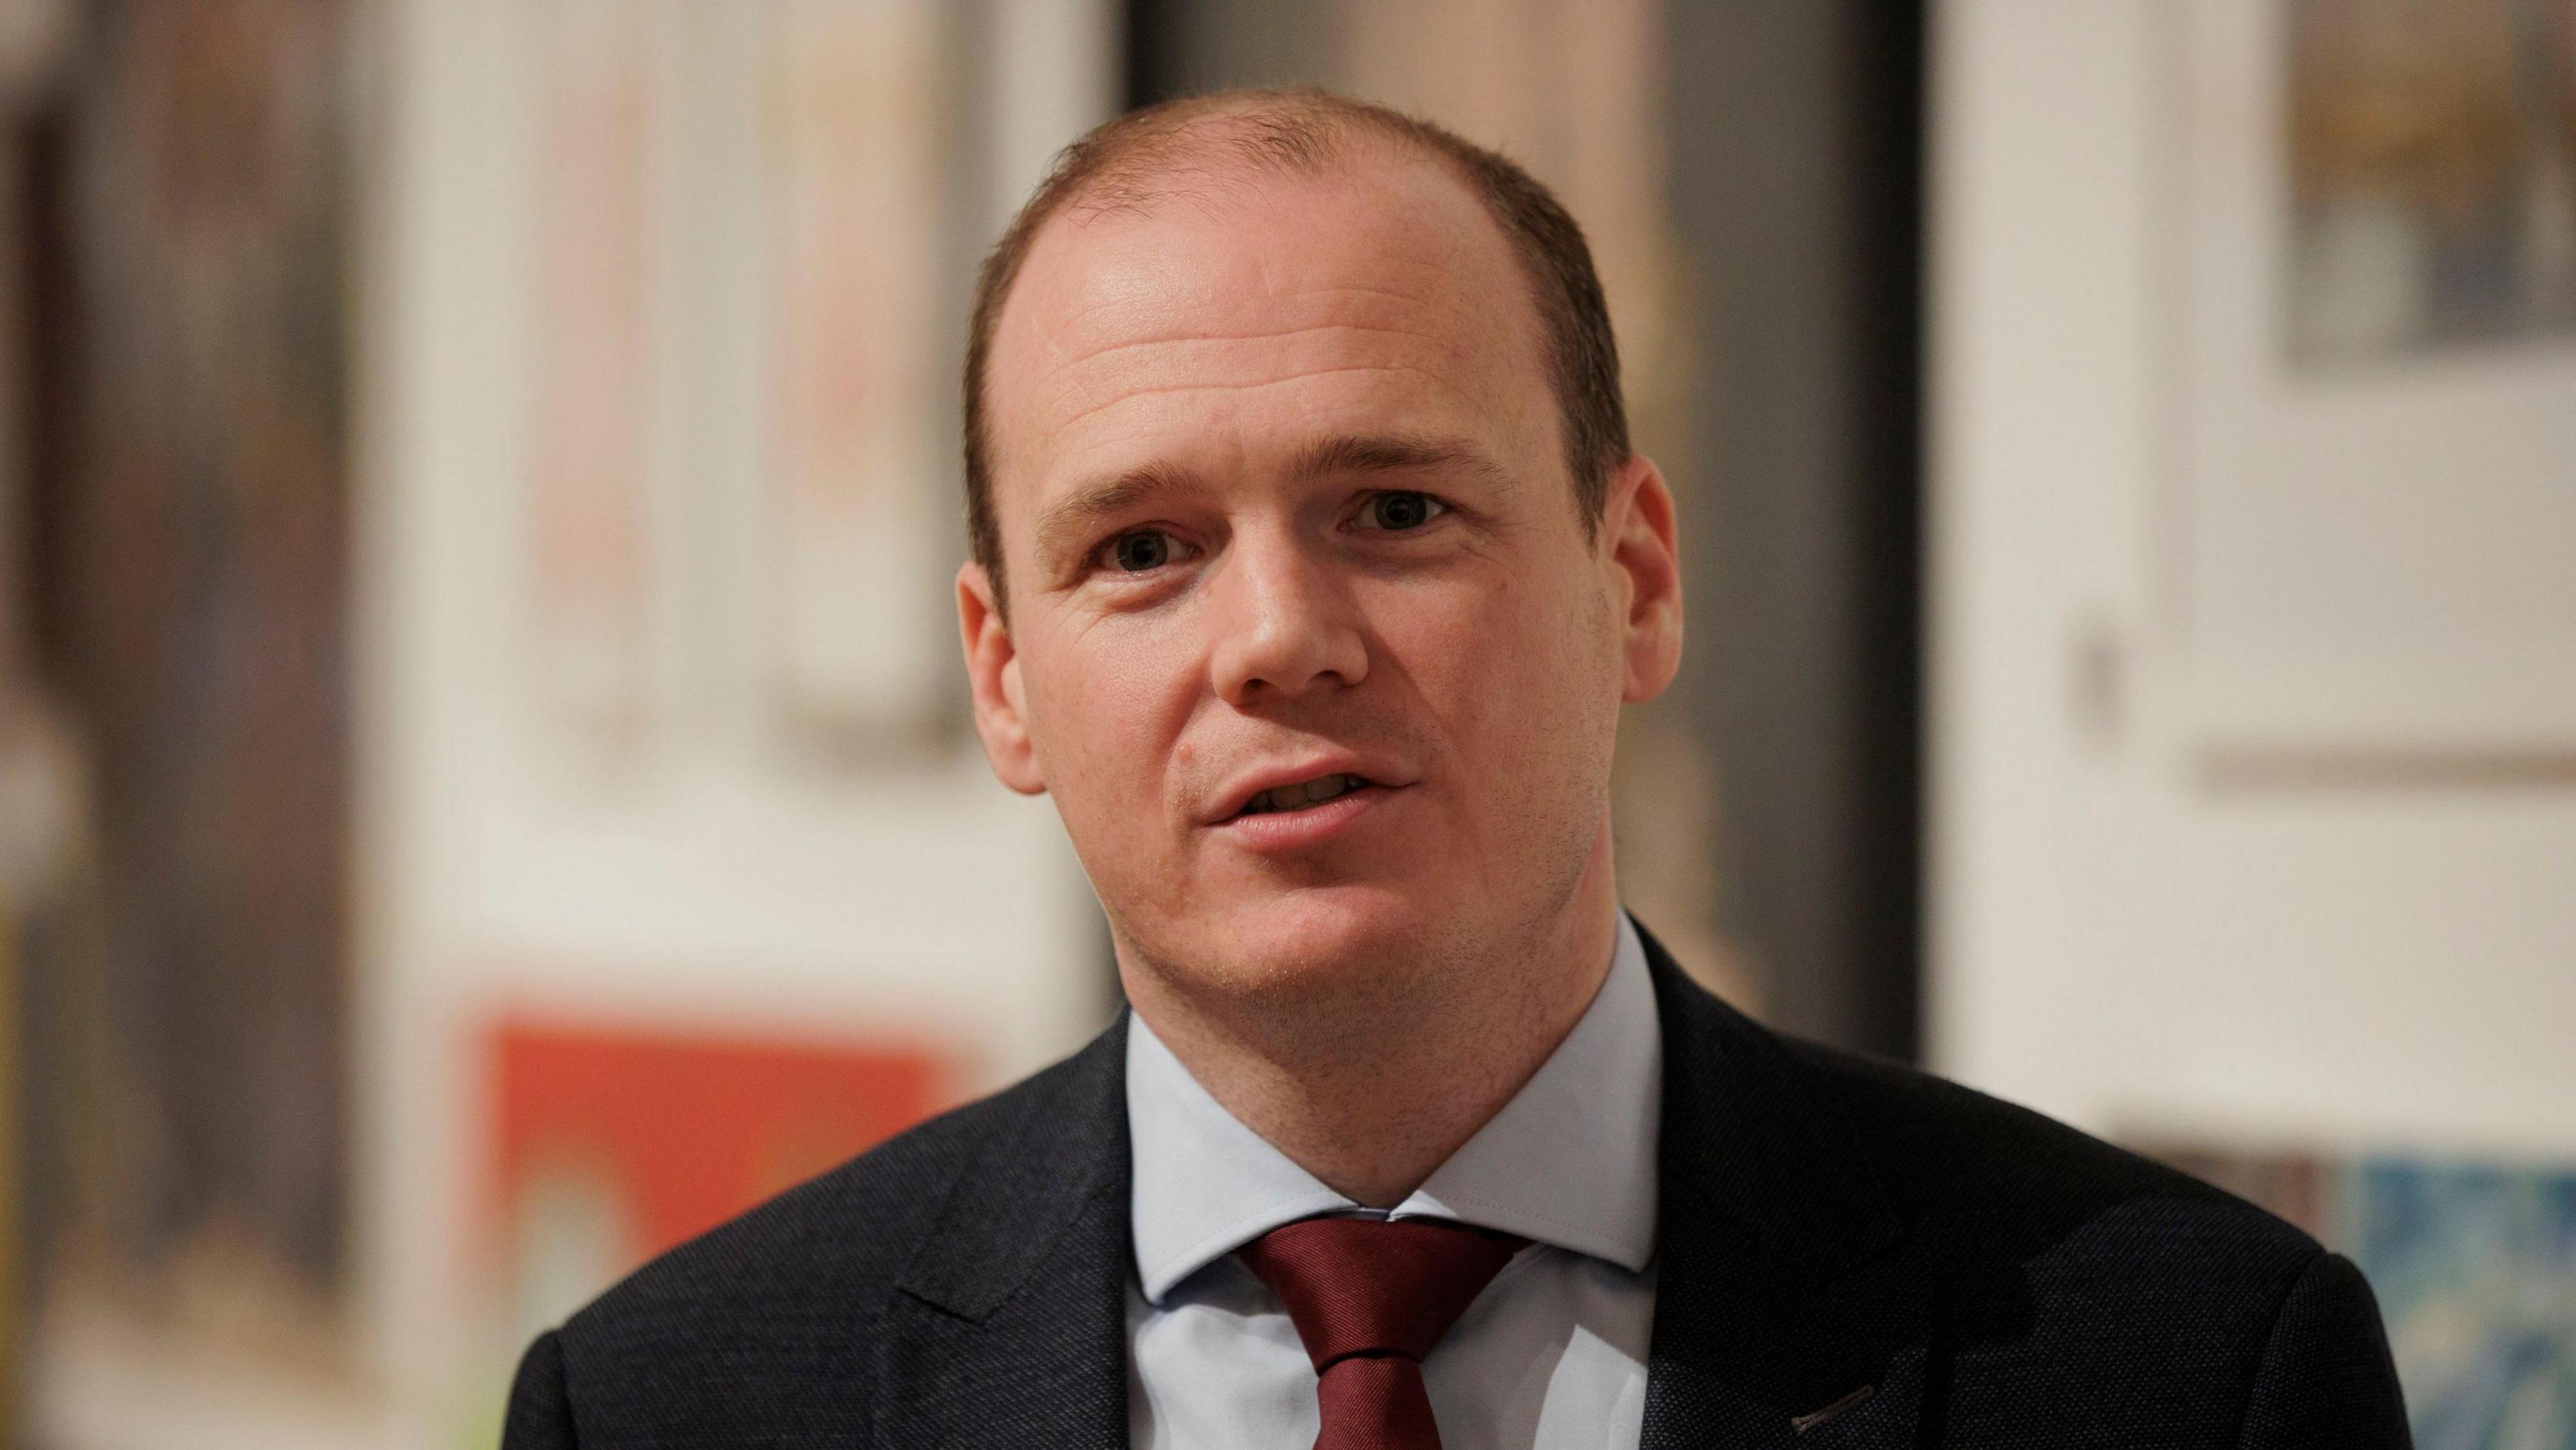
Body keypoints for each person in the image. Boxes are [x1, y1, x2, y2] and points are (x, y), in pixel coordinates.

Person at [501, 89, 2409, 1450]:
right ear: (1006, 678)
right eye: (1143, 549)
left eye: (1394, 506)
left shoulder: (2186, 1369)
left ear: (1634, 579)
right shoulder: (674, 1403)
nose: (1275, 636)